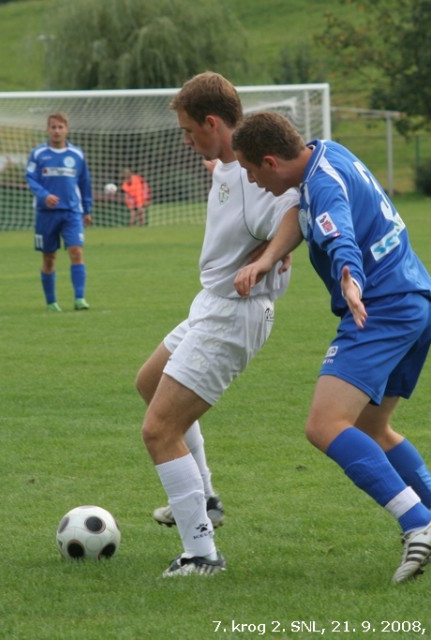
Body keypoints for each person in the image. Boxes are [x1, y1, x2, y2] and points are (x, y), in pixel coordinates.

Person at [232, 111, 431, 584]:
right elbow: (303, 218)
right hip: (414, 300)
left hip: (378, 307)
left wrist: (349, 278)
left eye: (249, 169)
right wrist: (269, 257)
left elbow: (337, 230)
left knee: (324, 425)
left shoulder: (321, 187)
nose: (250, 178)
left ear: (269, 161)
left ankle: (418, 523)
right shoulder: (326, 155)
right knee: (372, 426)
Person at [137, 72, 299, 577]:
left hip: (235, 312)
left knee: (160, 430)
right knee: (149, 382)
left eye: (190, 132)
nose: (187, 142)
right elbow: (233, 177)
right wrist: (217, 165)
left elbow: (297, 208)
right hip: (210, 304)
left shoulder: (260, 176)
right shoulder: (231, 165)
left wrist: (273, 254)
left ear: (212, 122)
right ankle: (205, 498)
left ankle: (201, 555)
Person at [25, 112, 93, 312]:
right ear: (47, 130)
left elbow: (84, 183)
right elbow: (30, 178)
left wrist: (87, 209)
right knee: (49, 257)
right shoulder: (38, 154)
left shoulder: (77, 155)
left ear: (67, 130)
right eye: (53, 127)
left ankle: (80, 299)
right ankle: (51, 302)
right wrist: (44, 195)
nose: (56, 131)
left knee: (76, 251)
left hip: (72, 212)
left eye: (60, 127)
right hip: (46, 213)